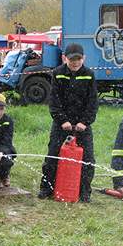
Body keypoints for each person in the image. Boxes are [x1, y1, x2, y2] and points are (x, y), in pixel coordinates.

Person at [38, 43, 99, 203]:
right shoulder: (58, 74)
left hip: (82, 126)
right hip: (61, 125)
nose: (75, 63)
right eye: (72, 59)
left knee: (88, 160)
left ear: (83, 58)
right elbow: (54, 101)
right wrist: (62, 120)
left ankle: (85, 192)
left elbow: (92, 103)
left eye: (78, 59)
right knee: (52, 156)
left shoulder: (89, 75)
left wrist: (84, 122)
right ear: (65, 59)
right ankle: (46, 188)